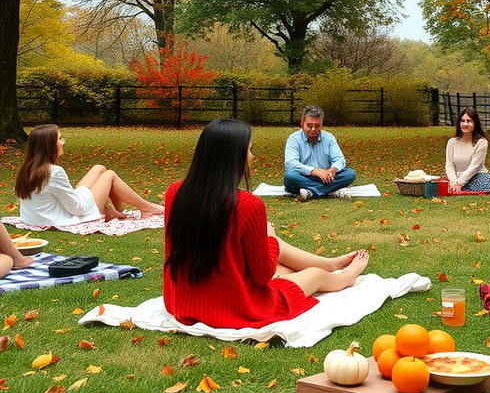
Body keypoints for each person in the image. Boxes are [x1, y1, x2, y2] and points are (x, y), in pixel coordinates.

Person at [163, 118, 369, 328]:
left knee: (280, 255)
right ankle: (346, 276)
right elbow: (262, 276)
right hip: (237, 307)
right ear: (234, 157)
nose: (252, 157)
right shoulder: (248, 205)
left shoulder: (174, 193)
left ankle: (330, 263)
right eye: (249, 150)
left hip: (181, 301)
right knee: (314, 275)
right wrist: (268, 236)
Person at [15, 124, 163, 226]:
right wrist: (88, 193)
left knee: (99, 168)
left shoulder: (26, 169)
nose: (63, 142)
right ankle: (147, 208)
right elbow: (78, 209)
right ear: (49, 145)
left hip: (39, 218)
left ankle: (115, 212)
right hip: (62, 219)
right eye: (60, 139)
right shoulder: (54, 172)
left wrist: (85, 193)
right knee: (109, 175)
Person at [283, 106, 356, 201]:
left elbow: (340, 159)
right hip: (303, 177)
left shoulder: (329, 138)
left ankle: (311, 192)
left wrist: (333, 169)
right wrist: (313, 171)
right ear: (302, 124)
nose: (313, 129)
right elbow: (290, 163)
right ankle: (332, 190)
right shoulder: (294, 139)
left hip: (327, 178)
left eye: (317, 126)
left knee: (350, 174)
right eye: (309, 125)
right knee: (290, 177)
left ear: (322, 124)